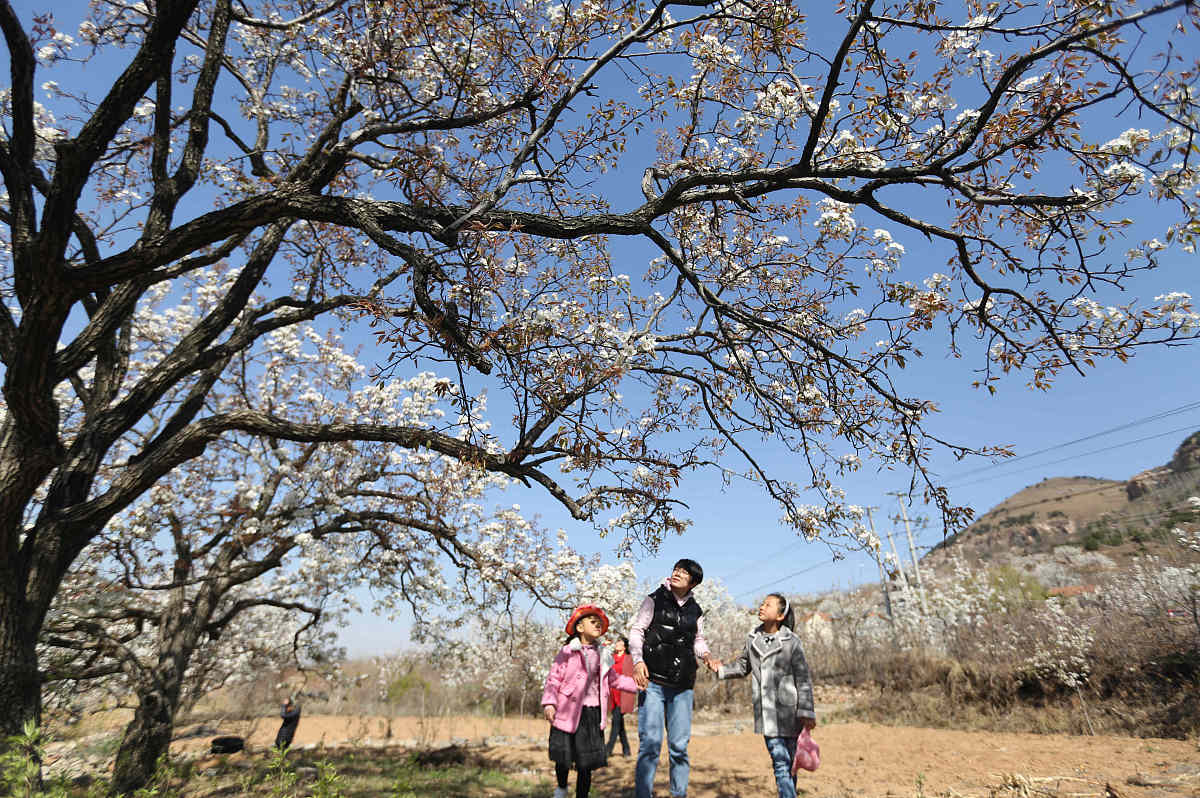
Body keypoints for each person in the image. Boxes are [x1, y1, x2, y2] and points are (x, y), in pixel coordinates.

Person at [707, 593, 816, 798]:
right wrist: (719, 670)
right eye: (762, 604)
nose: (762, 607)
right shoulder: (752, 639)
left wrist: (807, 710)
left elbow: (803, 678)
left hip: (790, 712)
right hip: (766, 713)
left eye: (768, 605)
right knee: (780, 763)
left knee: (790, 764)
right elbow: (742, 667)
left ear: (781, 615)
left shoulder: (792, 641)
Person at [629, 558, 713, 798]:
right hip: (653, 681)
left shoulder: (695, 610)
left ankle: (679, 794)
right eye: (676, 569)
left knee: (678, 746)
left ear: (693, 582)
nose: (677, 573)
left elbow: (698, 640)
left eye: (684, 573)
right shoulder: (653, 600)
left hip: (683, 684)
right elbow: (637, 631)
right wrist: (637, 661)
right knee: (650, 744)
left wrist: (706, 655)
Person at [542, 605, 641, 798]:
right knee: (563, 757)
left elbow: (615, 679)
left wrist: (638, 684)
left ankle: (582, 795)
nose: (597, 625)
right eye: (592, 622)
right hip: (567, 711)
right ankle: (561, 788)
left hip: (592, 713)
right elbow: (554, 679)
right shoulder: (567, 652)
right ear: (579, 627)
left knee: (585, 763)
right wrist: (550, 703)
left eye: (600, 623)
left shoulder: (603, 655)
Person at [605, 636, 633, 757]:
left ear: (625, 646)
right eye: (617, 642)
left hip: (623, 695)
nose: (617, 644)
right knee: (619, 723)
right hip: (613, 695)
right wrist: (605, 645)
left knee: (616, 722)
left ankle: (607, 750)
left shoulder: (628, 659)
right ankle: (626, 749)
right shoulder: (612, 658)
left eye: (620, 642)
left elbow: (631, 677)